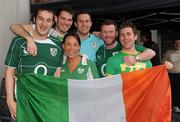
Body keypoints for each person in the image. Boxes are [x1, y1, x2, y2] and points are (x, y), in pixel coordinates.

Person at [5, 8, 63, 120]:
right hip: (22, 104)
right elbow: (9, 72)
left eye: (48, 20)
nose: (44, 24)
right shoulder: (18, 41)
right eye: (40, 19)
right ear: (34, 20)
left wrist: (54, 102)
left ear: (52, 23)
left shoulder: (58, 45)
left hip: (45, 106)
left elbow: (56, 76)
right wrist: (10, 101)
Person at [106, 21, 173, 75]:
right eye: (122, 35)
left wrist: (163, 70)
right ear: (119, 38)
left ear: (135, 37)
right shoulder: (112, 61)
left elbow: (151, 82)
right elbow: (109, 87)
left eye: (128, 34)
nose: (125, 38)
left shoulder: (146, 60)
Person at [9, 6, 74, 56]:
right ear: (56, 19)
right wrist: (29, 38)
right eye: (63, 19)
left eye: (69, 20)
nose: (66, 23)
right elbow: (14, 26)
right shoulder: (44, 28)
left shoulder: (70, 38)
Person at [162, 39, 180, 113]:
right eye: (175, 43)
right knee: (172, 90)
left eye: (179, 43)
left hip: (179, 74)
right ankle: (173, 106)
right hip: (171, 74)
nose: (177, 44)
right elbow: (163, 62)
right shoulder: (169, 52)